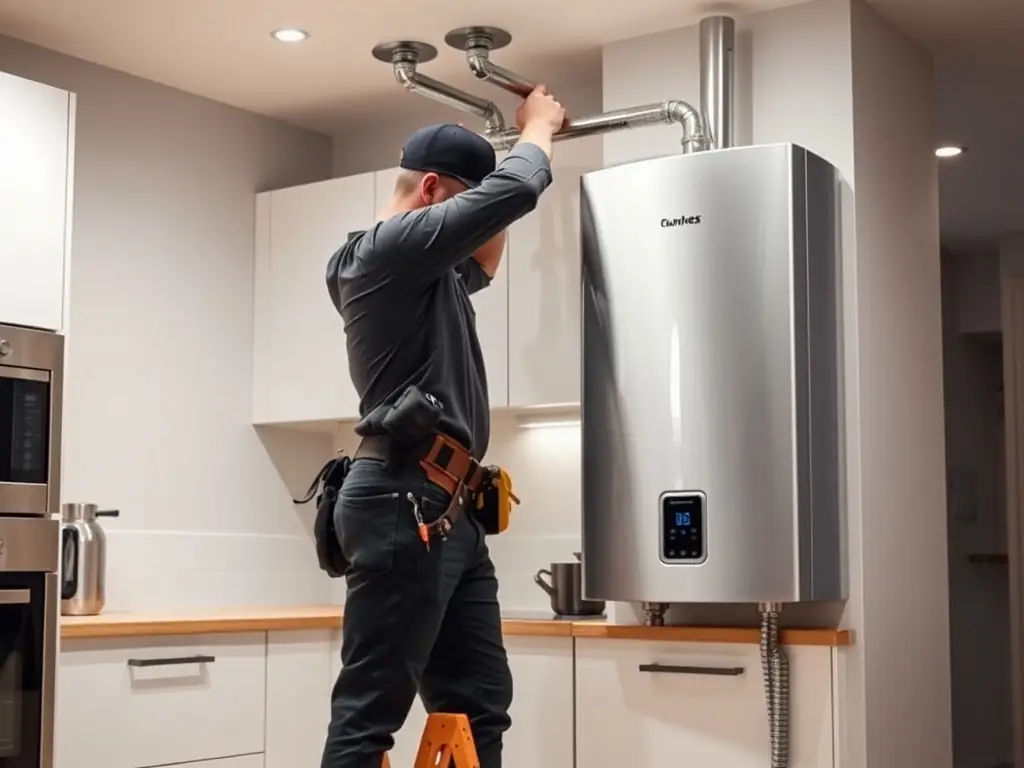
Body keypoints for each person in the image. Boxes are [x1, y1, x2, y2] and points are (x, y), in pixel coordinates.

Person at [320, 85, 566, 768]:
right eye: (465, 207)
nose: (474, 233)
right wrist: (536, 130)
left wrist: (496, 189)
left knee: (479, 703)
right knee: (368, 718)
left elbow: (485, 254)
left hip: (447, 511)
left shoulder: (433, 277)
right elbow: (519, 189)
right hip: (404, 498)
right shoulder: (387, 252)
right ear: (430, 190)